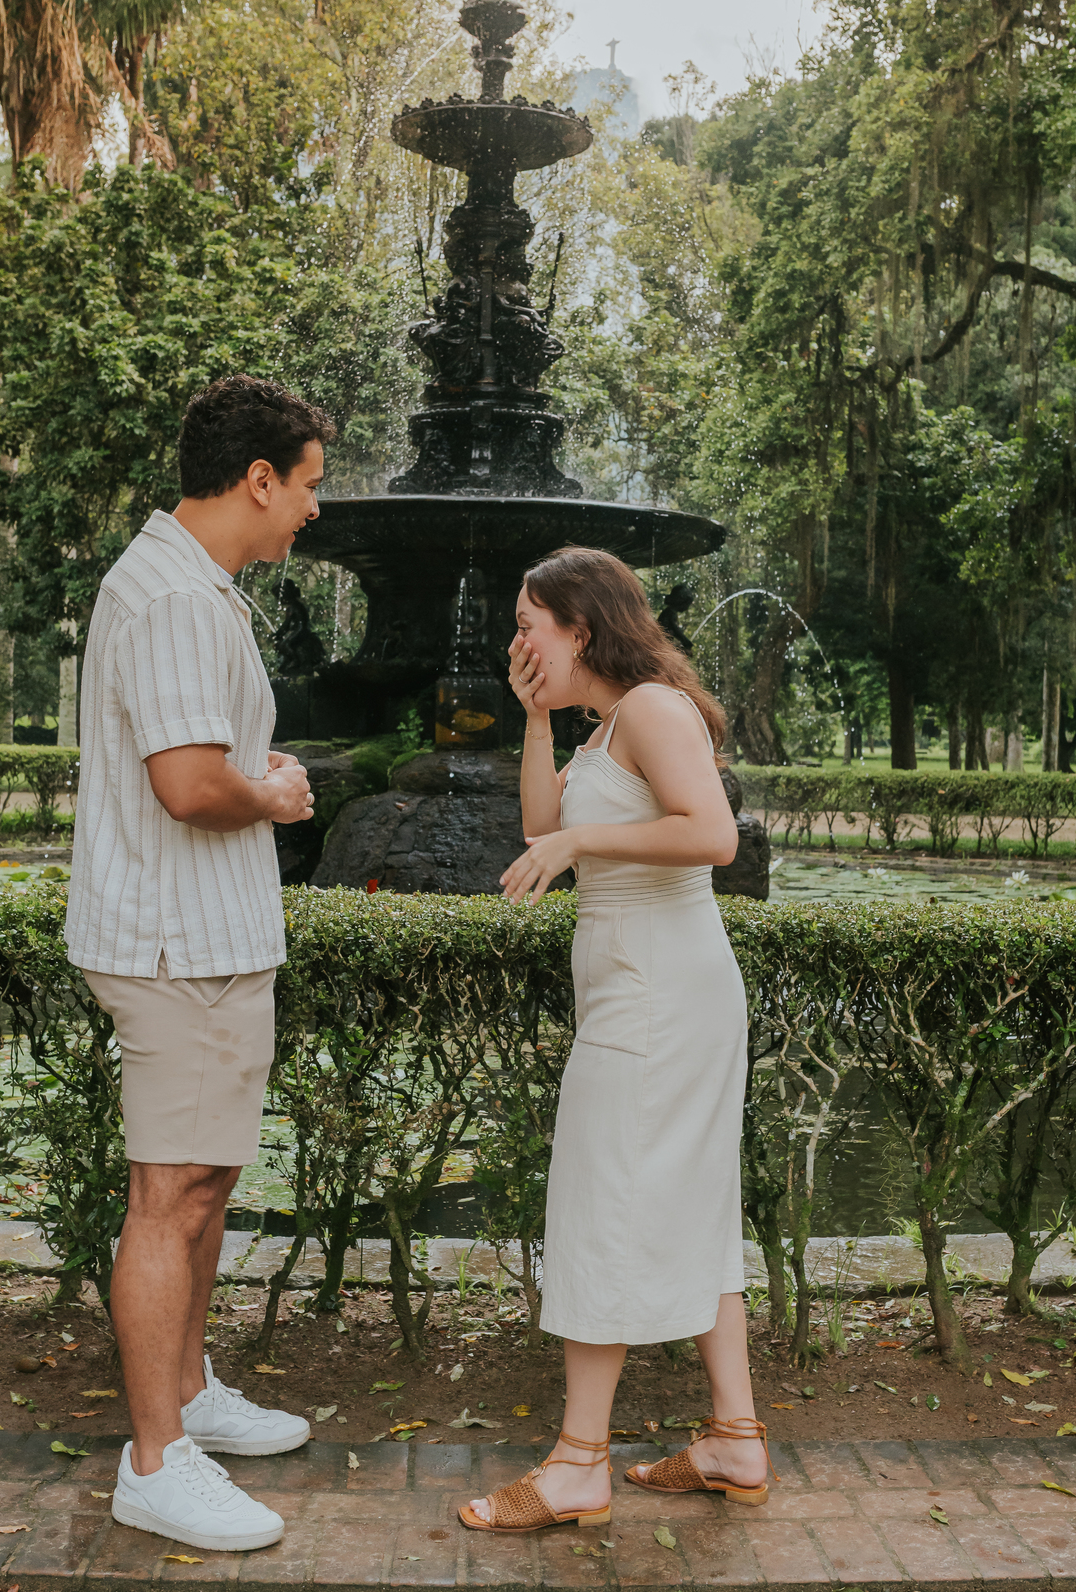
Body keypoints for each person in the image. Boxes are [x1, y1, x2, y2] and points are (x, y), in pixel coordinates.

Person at [64, 375, 336, 1553]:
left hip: (205, 939)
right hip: (176, 945)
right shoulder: (175, 597)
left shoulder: (188, 585)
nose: (315, 510)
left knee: (203, 1184)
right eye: (309, 485)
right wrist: (271, 793)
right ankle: (156, 1463)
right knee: (170, 1196)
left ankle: (186, 1395)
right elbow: (186, 783)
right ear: (258, 478)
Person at [459, 546, 773, 1536]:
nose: (517, 642)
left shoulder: (651, 709)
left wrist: (582, 841)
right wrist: (534, 721)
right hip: (644, 992)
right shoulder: (603, 727)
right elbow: (541, 823)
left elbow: (714, 836)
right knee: (693, 1204)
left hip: (659, 998)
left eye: (529, 625)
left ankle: (577, 1465)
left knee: (599, 1204)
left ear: (580, 627)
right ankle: (735, 1439)